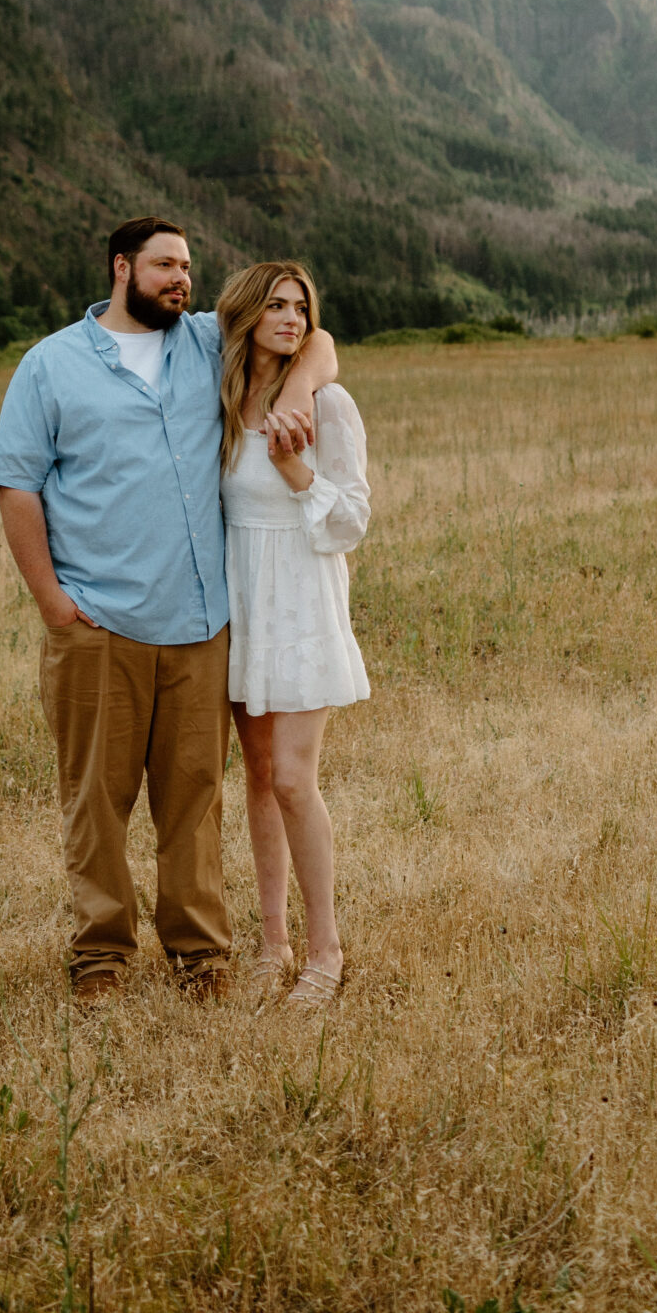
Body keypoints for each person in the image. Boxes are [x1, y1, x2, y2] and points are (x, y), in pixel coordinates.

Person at [0, 217, 338, 1005]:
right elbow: (15, 486)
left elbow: (311, 337)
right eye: (165, 266)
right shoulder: (51, 365)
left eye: (187, 266)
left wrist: (304, 383)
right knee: (96, 803)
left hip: (200, 625)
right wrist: (53, 604)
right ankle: (101, 959)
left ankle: (199, 956)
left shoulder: (206, 339)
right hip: (97, 625)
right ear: (121, 268)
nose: (182, 279)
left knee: (194, 804)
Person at [217, 261, 370, 1015]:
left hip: (303, 601)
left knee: (290, 780)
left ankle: (324, 950)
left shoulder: (327, 404)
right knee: (253, 777)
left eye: (301, 308)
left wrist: (291, 469)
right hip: (243, 603)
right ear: (245, 314)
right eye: (274, 305)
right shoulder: (220, 401)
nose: (290, 319)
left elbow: (351, 521)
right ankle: (271, 943)